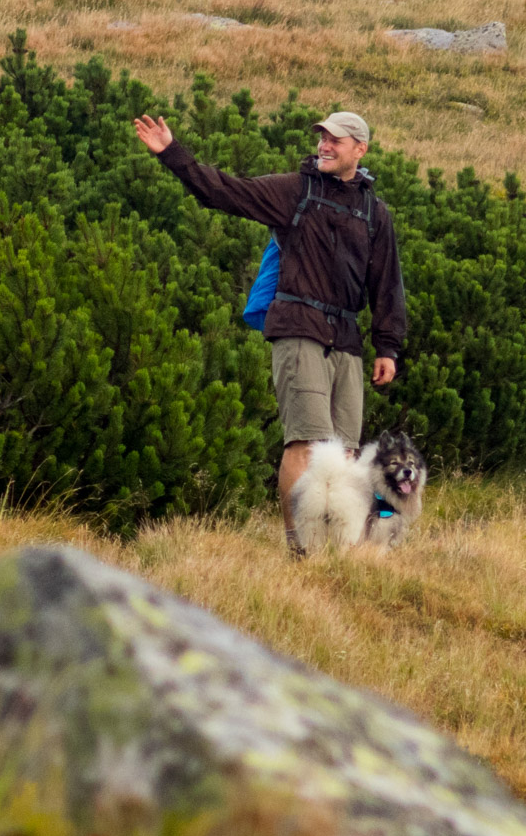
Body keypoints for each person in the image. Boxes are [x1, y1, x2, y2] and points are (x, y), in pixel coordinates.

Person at [133, 109, 406, 554]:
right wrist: (172, 154)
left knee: (347, 452)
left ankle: (339, 549)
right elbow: (224, 192)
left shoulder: (376, 213)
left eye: (336, 140)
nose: (325, 145)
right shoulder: (294, 192)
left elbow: (387, 284)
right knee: (306, 442)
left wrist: (388, 347)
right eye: (322, 138)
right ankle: (299, 547)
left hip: (348, 340)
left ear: (361, 149)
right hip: (297, 327)